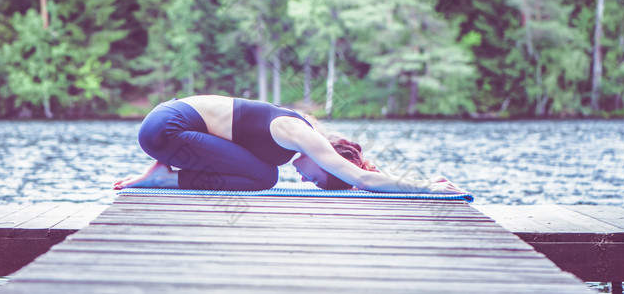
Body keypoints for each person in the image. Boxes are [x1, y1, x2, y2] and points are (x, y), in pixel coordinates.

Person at [113, 95, 467, 195]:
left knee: (262, 173)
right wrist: (427, 187)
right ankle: (163, 178)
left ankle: (164, 171)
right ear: (326, 157)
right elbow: (365, 181)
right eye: (318, 178)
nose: (305, 180)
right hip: (167, 128)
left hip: (168, 130)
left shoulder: (290, 137)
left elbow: (223, 155)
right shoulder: (296, 132)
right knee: (264, 177)